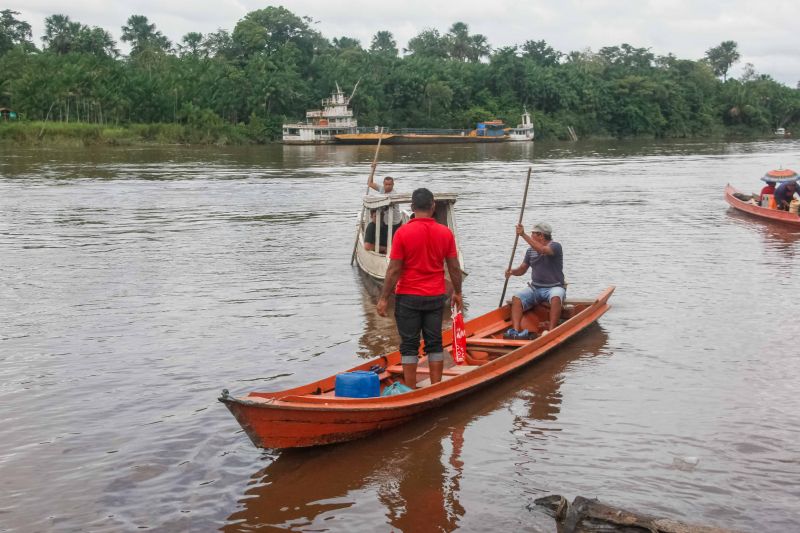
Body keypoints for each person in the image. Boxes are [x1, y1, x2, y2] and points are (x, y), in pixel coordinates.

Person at [377, 188, 463, 389]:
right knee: (434, 343)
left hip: (407, 297)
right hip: (434, 297)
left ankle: (410, 390)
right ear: (433, 207)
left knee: (409, 346)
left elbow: (393, 270)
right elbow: (454, 267)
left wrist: (383, 299)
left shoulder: (403, 233)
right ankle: (436, 387)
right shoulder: (445, 233)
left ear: (412, 208)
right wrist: (458, 292)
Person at [504, 222, 566, 339]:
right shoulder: (530, 251)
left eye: (533, 234)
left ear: (541, 236)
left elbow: (543, 250)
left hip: (554, 287)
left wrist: (523, 235)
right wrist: (512, 272)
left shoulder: (555, 246)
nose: (531, 236)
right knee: (517, 298)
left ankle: (551, 331)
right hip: (535, 288)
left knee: (556, 296)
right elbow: (522, 269)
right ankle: (515, 332)